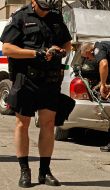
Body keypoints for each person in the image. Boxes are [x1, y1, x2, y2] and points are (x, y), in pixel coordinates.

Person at [0, 0, 72, 188]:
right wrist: (35, 54)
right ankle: (25, 170)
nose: (46, 8)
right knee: (22, 124)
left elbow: (67, 43)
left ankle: (44, 172)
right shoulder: (20, 17)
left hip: (50, 81)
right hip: (26, 80)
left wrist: (61, 51)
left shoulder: (56, 17)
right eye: (42, 5)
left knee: (48, 124)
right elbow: (7, 48)